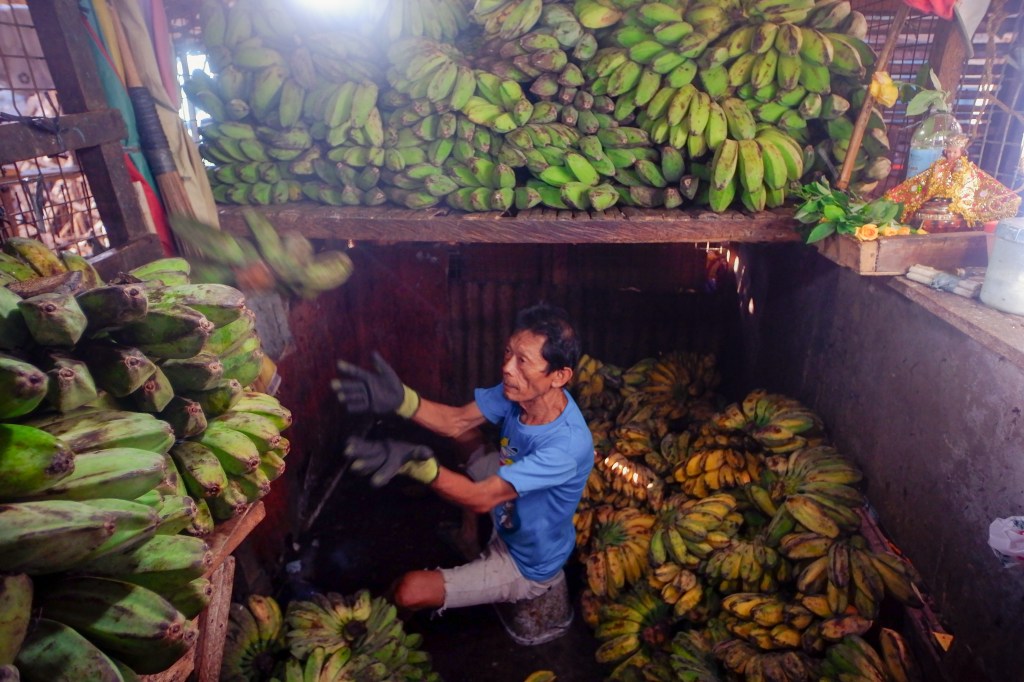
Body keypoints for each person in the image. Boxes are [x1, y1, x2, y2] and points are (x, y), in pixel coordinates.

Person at [332, 303, 594, 614]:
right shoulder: (520, 392)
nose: (508, 368)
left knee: (408, 591)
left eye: (522, 361)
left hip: (524, 560)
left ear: (559, 376)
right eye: (508, 353)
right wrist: (403, 400)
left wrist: (420, 467)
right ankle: (469, 538)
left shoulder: (566, 447)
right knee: (464, 435)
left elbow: (481, 498)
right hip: (509, 499)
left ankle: (369, 624)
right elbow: (455, 421)